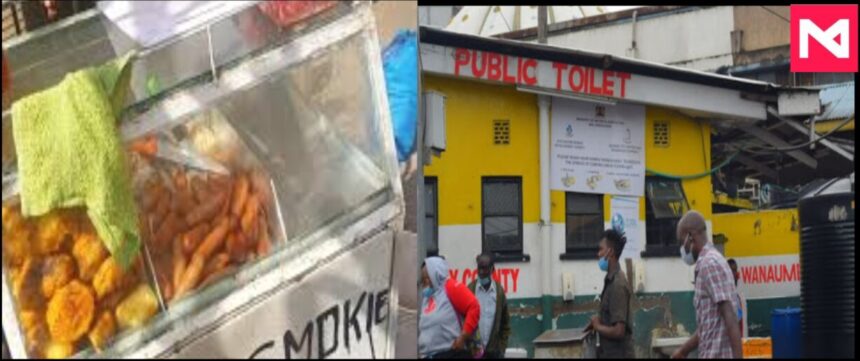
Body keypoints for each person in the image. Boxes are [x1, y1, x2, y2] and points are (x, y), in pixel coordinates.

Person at [672, 211, 742, 359]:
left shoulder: (709, 264)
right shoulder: (712, 262)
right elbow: (708, 325)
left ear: (690, 237)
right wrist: (683, 351)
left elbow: (729, 315)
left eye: (680, 242)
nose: (681, 249)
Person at [585, 229, 634, 358]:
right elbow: (611, 316)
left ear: (610, 252)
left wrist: (597, 326)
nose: (598, 254)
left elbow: (619, 331)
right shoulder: (610, 280)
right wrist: (599, 320)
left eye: (601, 249)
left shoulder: (618, 284)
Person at [419, 256, 481, 359]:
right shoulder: (427, 297)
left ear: (436, 274)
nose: (424, 284)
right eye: (423, 280)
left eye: (426, 279)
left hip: (451, 353)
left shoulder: (450, 287)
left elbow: (474, 307)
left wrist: (463, 337)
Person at [467, 253, 511, 359]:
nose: (481, 272)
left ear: (492, 269)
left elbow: (505, 323)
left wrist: (502, 348)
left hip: (494, 352)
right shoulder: (470, 290)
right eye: (479, 268)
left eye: (485, 268)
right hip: (474, 352)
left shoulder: (499, 292)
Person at [727, 258, 745, 338]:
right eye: (731, 270)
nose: (734, 274)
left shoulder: (737, 297)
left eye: (735, 270)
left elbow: (738, 321)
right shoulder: (724, 297)